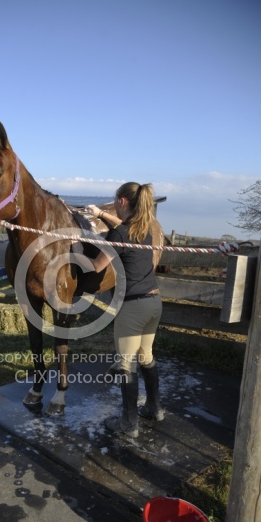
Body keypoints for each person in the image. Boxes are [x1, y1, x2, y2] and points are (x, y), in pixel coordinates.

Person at [85, 182, 164, 439]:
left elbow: (97, 266)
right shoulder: (144, 230)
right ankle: (154, 409)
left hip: (132, 308)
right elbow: (121, 226)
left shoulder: (118, 235)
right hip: (154, 303)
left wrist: (76, 247)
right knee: (146, 356)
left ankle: (129, 424)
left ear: (121, 202)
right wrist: (99, 214)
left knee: (125, 365)